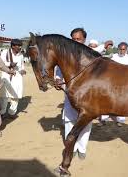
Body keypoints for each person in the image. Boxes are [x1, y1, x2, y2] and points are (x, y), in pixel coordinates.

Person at [55, 28, 91, 160]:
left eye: (78, 39)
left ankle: (82, 148)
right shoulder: (64, 55)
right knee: (69, 120)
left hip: (89, 96)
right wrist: (58, 79)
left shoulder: (90, 54)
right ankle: (72, 147)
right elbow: (59, 70)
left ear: (84, 40)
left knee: (86, 123)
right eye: (73, 39)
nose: (75, 41)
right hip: (70, 94)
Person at [98, 42, 128, 127]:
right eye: (120, 49)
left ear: (126, 49)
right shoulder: (113, 57)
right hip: (111, 83)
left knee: (121, 102)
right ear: (118, 49)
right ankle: (103, 119)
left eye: (123, 49)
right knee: (106, 100)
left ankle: (119, 120)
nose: (122, 51)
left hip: (124, 84)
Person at [0, 39, 26, 118]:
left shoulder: (21, 55)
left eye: (20, 46)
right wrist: (9, 64)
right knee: (4, 96)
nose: (19, 47)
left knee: (15, 96)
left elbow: (22, 66)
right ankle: (2, 113)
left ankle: (12, 113)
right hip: (6, 76)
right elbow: (1, 64)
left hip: (17, 77)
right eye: (18, 46)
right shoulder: (5, 52)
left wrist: (23, 71)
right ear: (12, 46)